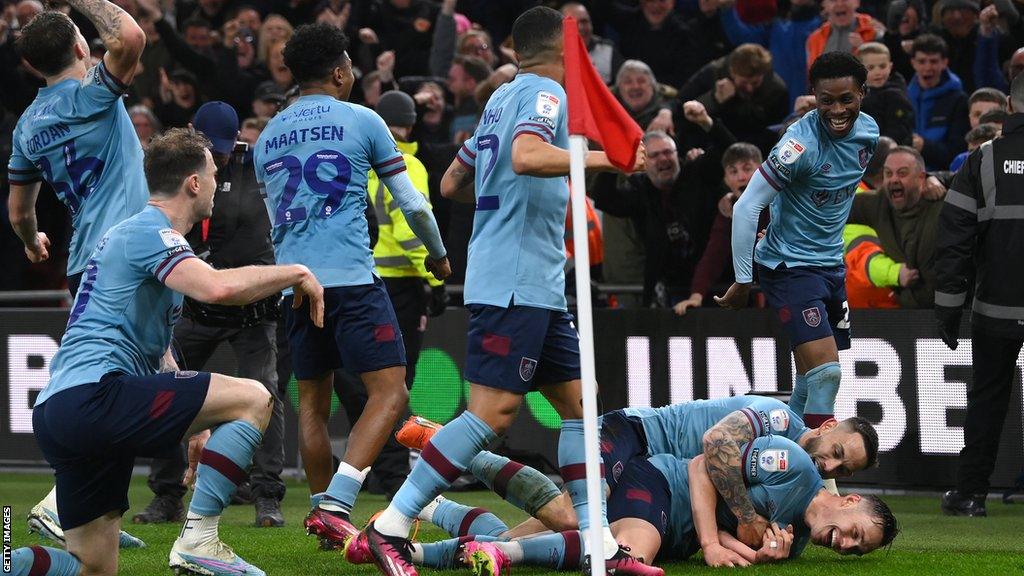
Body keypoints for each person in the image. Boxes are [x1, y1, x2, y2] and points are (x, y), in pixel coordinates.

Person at [355, 8, 648, 576]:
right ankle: (390, 525)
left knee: (583, 410)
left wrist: (502, 201)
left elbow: (452, 182)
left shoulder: (498, 99)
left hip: (531, 282)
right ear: (563, 52)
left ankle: (599, 546)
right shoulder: (544, 93)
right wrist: (602, 160)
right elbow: (526, 156)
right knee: (492, 414)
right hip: (514, 281)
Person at [10, 128, 326, 576]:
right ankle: (200, 541)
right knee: (254, 397)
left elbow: (156, 350)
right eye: (213, 174)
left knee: (94, 568)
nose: (218, 182)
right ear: (193, 183)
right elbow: (216, 289)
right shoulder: (149, 232)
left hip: (61, 411)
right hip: (96, 397)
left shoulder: (134, 235)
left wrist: (196, 423)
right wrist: (295, 271)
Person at [252, 22, 450, 550]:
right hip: (352, 282)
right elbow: (411, 203)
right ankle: (339, 501)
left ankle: (325, 524)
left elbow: (276, 220)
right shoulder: (363, 119)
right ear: (340, 72)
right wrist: (438, 252)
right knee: (391, 392)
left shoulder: (267, 137)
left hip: (295, 284)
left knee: (313, 406)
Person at [357, 394, 879, 559]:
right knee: (576, 518)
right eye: (835, 452)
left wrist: (755, 544)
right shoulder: (780, 423)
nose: (828, 467)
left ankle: (439, 511)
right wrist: (740, 522)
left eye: (841, 468)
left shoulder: (802, 498)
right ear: (826, 425)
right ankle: (456, 454)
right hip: (633, 436)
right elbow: (714, 448)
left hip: (658, 474)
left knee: (569, 530)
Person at [6, 0, 149, 550]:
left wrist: (31, 240)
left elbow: (20, 212)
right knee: (119, 388)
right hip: (124, 255)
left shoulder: (26, 126)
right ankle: (60, 506)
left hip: (84, 258)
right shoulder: (93, 93)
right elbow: (131, 37)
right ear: (81, 47)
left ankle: (89, 510)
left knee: (126, 382)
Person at [404, 435, 898, 572]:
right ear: (850, 501)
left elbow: (731, 537)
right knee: (626, 554)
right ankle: (460, 451)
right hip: (659, 481)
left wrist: (754, 553)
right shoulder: (791, 462)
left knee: (536, 530)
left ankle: (427, 527)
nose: (845, 545)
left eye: (854, 551)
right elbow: (703, 464)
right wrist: (713, 539)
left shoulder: (794, 547)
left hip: (669, 524)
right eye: (856, 533)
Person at [130, 102, 288, 529]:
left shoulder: (259, 166)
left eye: (223, 148)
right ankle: (167, 495)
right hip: (196, 306)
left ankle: (266, 496)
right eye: (209, 148)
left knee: (266, 391)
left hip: (252, 309)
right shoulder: (177, 170)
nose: (217, 156)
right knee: (165, 392)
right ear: (192, 134)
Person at [716, 52, 879, 432]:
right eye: (827, 101)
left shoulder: (869, 133)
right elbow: (745, 208)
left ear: (863, 94)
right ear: (814, 97)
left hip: (830, 267)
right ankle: (822, 481)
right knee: (827, 375)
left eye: (846, 99)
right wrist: (743, 280)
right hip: (789, 268)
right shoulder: (797, 147)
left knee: (809, 379)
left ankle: (788, 464)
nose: (837, 109)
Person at [934, 73, 1024, 517]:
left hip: (996, 310)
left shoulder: (982, 160)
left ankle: (970, 494)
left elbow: (954, 242)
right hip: (996, 309)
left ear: (1009, 104)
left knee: (987, 401)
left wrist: (948, 311)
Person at [364, 90, 450, 498]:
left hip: (363, 281)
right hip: (400, 288)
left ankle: (376, 466)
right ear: (412, 125)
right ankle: (394, 472)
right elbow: (410, 229)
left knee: (370, 381)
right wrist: (434, 281)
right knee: (397, 382)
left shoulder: (361, 163)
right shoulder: (408, 165)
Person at [590, 109, 735, 308]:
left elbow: (729, 150)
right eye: (655, 155)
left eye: (668, 152)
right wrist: (618, 159)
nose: (663, 159)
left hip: (714, 283)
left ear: (677, 154)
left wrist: (706, 122)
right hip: (665, 291)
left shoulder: (696, 173)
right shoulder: (639, 189)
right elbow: (604, 199)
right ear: (644, 161)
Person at [846, 146, 943, 308]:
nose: (894, 179)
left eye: (902, 173)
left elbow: (970, 179)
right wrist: (896, 273)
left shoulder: (941, 201)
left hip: (945, 311)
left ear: (921, 177)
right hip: (884, 309)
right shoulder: (874, 203)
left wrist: (939, 178)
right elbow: (861, 255)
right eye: (888, 173)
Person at [907, 34, 969, 170]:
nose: (928, 67)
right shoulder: (904, 98)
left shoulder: (959, 101)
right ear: (913, 63)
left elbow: (958, 152)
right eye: (922, 61)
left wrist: (925, 146)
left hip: (944, 177)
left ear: (944, 63)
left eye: (933, 61)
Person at [857, 42, 915, 146]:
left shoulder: (897, 96)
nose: (878, 72)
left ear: (890, 66)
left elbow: (899, 131)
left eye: (882, 66)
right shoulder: (855, 94)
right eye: (871, 68)